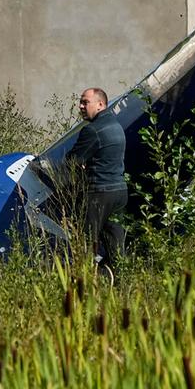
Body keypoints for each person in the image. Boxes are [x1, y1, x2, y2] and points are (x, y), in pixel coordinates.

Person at [66, 87, 128, 273]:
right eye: (81, 102)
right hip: (119, 192)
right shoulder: (117, 126)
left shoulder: (93, 130)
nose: (81, 106)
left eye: (86, 102)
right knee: (116, 245)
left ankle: (84, 283)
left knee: (85, 243)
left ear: (101, 104)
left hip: (99, 193)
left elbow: (72, 161)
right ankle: (119, 284)